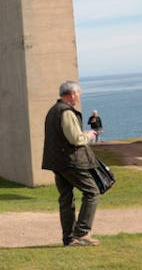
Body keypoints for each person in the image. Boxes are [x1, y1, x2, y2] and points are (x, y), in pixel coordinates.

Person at [40, 80, 102, 246]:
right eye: (79, 93)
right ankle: (81, 232)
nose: (79, 96)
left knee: (66, 199)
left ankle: (69, 238)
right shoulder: (66, 112)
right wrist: (88, 136)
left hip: (57, 161)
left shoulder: (53, 111)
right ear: (72, 93)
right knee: (92, 192)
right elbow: (75, 139)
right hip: (70, 161)